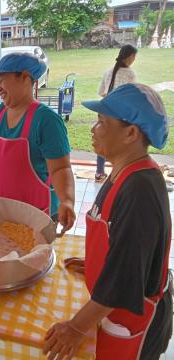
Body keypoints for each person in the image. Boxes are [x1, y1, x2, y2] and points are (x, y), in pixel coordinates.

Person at [44, 83, 172, 360]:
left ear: (131, 133)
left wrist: (76, 327)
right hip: (114, 310)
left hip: (131, 319)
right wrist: (96, 266)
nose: (93, 129)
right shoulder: (122, 172)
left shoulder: (140, 190)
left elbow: (125, 276)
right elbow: (120, 243)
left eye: (102, 122)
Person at [0, 53, 75, 234]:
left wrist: (67, 200)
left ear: (26, 78)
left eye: (2, 81)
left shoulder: (47, 121)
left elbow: (61, 169)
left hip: (36, 218)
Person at [95, 44, 138, 182]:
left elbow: (101, 92)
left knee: (103, 140)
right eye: (134, 56)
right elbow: (132, 96)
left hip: (105, 111)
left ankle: (99, 172)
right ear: (130, 56)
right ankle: (118, 173)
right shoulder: (130, 74)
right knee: (120, 143)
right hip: (120, 114)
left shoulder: (108, 71)